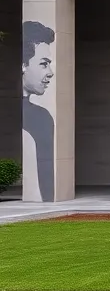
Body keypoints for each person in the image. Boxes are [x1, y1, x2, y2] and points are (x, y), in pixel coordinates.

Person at [21, 21, 56, 202]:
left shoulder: (42, 117)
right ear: (23, 65)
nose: (50, 72)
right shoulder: (38, 118)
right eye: (44, 64)